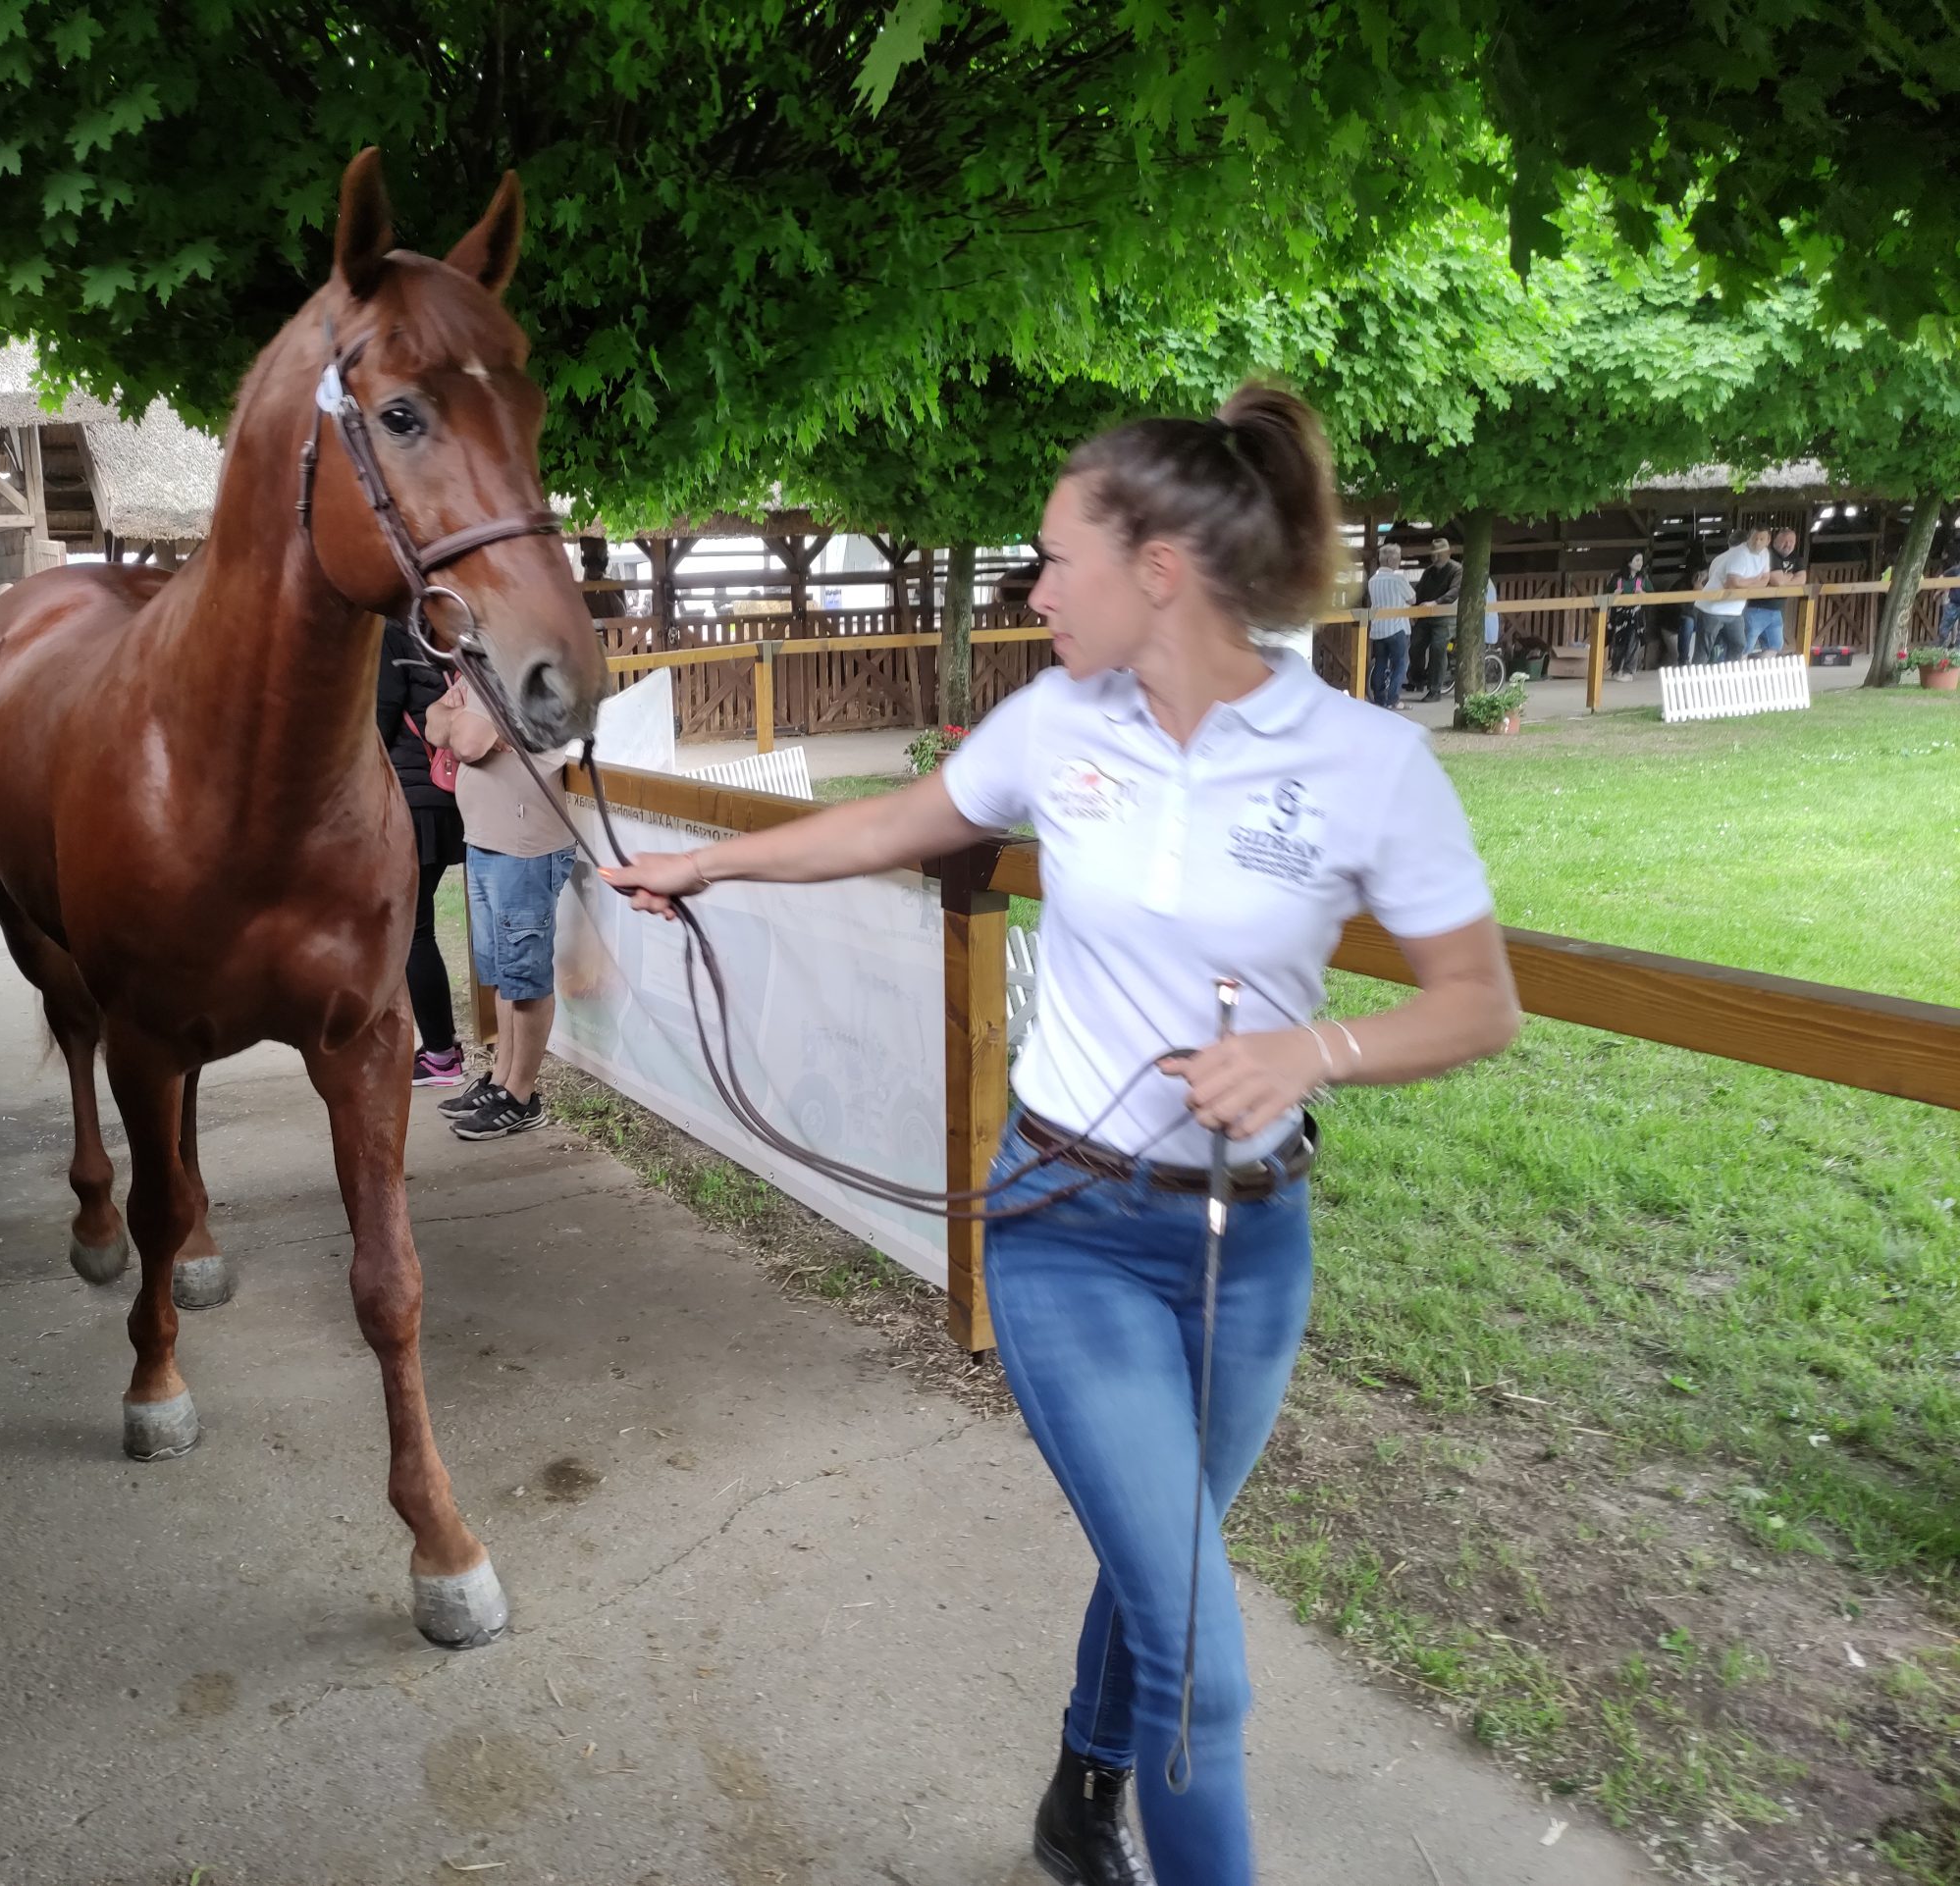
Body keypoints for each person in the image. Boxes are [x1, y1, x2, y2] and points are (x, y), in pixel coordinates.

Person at [604, 386, 1520, 1886]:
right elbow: (892, 823)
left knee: (1170, 1574)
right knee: (1206, 1664)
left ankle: (1079, 1792)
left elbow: (1478, 1002)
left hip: (1250, 1245)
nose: (1032, 590)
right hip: (1064, 1228)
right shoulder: (1055, 724)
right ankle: (1127, 1803)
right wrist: (709, 862)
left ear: (1160, 564)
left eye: (1051, 557)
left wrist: (1312, 1047)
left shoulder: (1363, 762)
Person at [426, 670, 576, 1140]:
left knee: (524, 977)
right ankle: (500, 1079)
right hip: (490, 841)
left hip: (525, 845)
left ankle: (522, 1095)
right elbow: (433, 724)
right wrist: (457, 719)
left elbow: (465, 743)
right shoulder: (485, 673)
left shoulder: (516, 673)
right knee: (501, 972)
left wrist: (461, 720)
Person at [377, 622, 469, 1088]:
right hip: (448, 796)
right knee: (415, 928)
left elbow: (378, 721)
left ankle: (440, 1054)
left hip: (410, 803)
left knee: (413, 932)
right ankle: (440, 1047)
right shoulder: (449, 643)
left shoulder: (391, 638)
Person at [1698, 527, 1771, 665]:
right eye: (1754, 538)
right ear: (1747, 539)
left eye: (1762, 539)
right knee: (1704, 650)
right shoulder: (1736, 555)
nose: (1757, 542)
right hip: (1712, 608)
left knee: (1738, 644)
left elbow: (1764, 579)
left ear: (1768, 540)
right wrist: (1756, 580)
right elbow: (1732, 584)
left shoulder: (1764, 554)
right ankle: (1695, 681)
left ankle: (1728, 676)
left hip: (1735, 609)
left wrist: (1746, 583)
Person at [1408, 534, 1461, 699]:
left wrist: (1436, 602)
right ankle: (1417, 678)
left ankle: (1435, 689)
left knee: (1438, 649)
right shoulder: (1429, 572)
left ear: (1448, 553)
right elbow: (1419, 591)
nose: (1436, 557)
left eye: (1439, 553)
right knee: (1415, 646)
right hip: (1426, 617)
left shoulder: (1457, 570)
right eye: (1434, 554)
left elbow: (1454, 592)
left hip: (1445, 617)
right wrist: (1413, 610)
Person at [1362, 542, 1413, 708]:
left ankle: (1379, 698)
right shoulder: (1398, 579)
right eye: (1398, 558)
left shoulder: (1372, 581)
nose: (1399, 561)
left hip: (1378, 629)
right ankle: (1394, 699)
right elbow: (1412, 599)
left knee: (1380, 663)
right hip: (1397, 627)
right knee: (1400, 663)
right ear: (1391, 561)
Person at [1742, 524, 1797, 656]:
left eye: (1791, 542)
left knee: (1775, 645)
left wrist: (1784, 580)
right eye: (1784, 541)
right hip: (1756, 608)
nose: (1788, 545)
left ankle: (1762, 675)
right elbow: (1777, 581)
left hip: (1776, 609)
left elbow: (1802, 578)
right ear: (1774, 540)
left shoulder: (1795, 557)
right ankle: (1738, 674)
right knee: (1746, 646)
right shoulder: (1768, 554)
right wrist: (1789, 577)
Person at [1608, 551, 1650, 677]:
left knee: (1633, 641)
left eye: (1641, 560)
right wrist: (1614, 595)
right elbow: (1605, 596)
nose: (1640, 563)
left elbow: (1654, 597)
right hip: (1619, 617)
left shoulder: (1643, 580)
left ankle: (1628, 671)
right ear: (1629, 562)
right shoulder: (1617, 580)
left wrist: (1643, 594)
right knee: (1618, 642)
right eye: (1637, 560)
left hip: (1636, 616)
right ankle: (1616, 669)